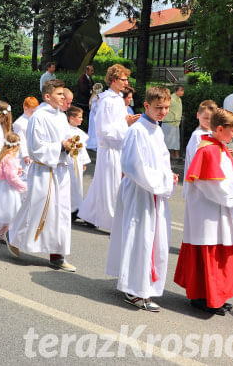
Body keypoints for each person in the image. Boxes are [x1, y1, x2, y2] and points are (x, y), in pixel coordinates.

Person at [174, 109, 233, 316]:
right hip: (208, 212)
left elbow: (223, 176)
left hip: (217, 210)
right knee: (210, 255)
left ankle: (215, 295)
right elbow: (211, 185)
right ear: (220, 129)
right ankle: (203, 297)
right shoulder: (208, 150)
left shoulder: (219, 147)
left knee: (220, 253)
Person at [106, 86, 177, 312]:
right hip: (140, 192)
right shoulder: (137, 130)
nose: (163, 112)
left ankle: (144, 284)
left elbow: (160, 162)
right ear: (146, 106)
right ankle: (134, 289)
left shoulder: (156, 129)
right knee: (140, 239)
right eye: (158, 107)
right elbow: (134, 166)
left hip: (153, 192)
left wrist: (168, 176)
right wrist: (163, 182)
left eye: (166, 107)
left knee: (152, 240)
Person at [8, 79, 77, 271]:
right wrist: (60, 146)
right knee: (36, 209)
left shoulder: (61, 117)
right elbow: (35, 148)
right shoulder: (38, 117)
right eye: (60, 94)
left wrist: (70, 145)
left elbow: (65, 141)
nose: (64, 97)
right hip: (43, 171)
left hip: (60, 170)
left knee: (61, 214)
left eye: (64, 94)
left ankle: (57, 255)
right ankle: (12, 234)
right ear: (48, 96)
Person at [78, 65, 139, 229]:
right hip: (110, 148)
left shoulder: (118, 99)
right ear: (113, 80)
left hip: (118, 146)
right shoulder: (106, 100)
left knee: (102, 183)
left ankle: (89, 214)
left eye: (127, 79)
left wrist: (127, 122)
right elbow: (104, 129)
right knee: (111, 185)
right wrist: (125, 124)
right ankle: (113, 223)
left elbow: (117, 122)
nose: (127, 82)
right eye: (123, 79)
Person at [0, 132, 26, 241]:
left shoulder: (3, 155)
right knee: (12, 211)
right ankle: (4, 232)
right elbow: (11, 177)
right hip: (8, 189)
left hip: (2, 186)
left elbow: (7, 172)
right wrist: (23, 185)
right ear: (17, 145)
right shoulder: (10, 159)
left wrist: (17, 170)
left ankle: (4, 231)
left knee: (10, 212)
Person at [184, 100, 218, 189]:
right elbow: (195, 161)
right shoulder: (197, 136)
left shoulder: (213, 133)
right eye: (206, 118)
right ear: (198, 115)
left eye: (212, 118)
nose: (209, 121)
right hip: (198, 183)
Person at [65, 106, 90, 221]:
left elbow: (82, 149)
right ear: (71, 118)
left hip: (78, 161)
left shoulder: (80, 133)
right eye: (79, 117)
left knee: (78, 184)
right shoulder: (65, 130)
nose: (81, 119)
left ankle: (78, 207)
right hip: (69, 161)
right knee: (71, 184)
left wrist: (84, 162)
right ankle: (70, 208)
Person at [163, 85, 184, 158]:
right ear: (176, 91)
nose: (182, 92)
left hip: (176, 123)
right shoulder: (171, 98)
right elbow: (165, 107)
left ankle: (176, 154)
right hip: (168, 122)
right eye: (181, 90)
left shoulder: (179, 99)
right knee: (166, 139)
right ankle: (165, 155)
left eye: (183, 90)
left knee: (175, 140)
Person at [86, 83, 104, 151]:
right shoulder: (96, 97)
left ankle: (95, 144)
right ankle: (93, 144)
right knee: (94, 129)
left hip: (94, 115)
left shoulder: (95, 96)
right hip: (94, 115)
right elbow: (93, 107)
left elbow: (91, 106)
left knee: (94, 129)